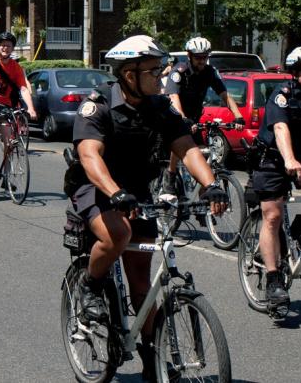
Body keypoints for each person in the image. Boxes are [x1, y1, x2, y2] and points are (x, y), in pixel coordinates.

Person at [66, 35, 228, 381]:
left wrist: (210, 184)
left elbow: (186, 147)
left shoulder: (159, 107)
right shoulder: (97, 106)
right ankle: (90, 286)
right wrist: (114, 192)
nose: (161, 76)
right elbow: (89, 156)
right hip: (95, 189)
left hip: (137, 191)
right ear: (128, 74)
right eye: (154, 70)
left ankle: (151, 357)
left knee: (142, 281)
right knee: (119, 234)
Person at [253, 45, 301, 310]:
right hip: (272, 158)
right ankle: (272, 280)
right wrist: (289, 159)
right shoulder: (282, 95)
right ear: (294, 73)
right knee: (273, 215)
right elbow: (280, 128)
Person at [161, 37, 244, 194]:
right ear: (189, 55)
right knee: (178, 138)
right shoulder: (180, 71)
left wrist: (238, 116)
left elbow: (225, 95)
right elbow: (173, 96)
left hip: (194, 115)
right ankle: (170, 174)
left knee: (203, 152)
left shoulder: (210, 72)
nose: (201, 61)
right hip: (175, 113)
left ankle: (203, 198)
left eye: (205, 57)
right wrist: (183, 118)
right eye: (198, 57)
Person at [0, 32, 37, 165]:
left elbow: (24, 88)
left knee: (8, 140)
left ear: (12, 48)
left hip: (4, 104)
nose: (5, 48)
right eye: (3, 45)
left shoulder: (16, 67)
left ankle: (7, 174)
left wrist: (31, 109)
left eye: (8, 46)